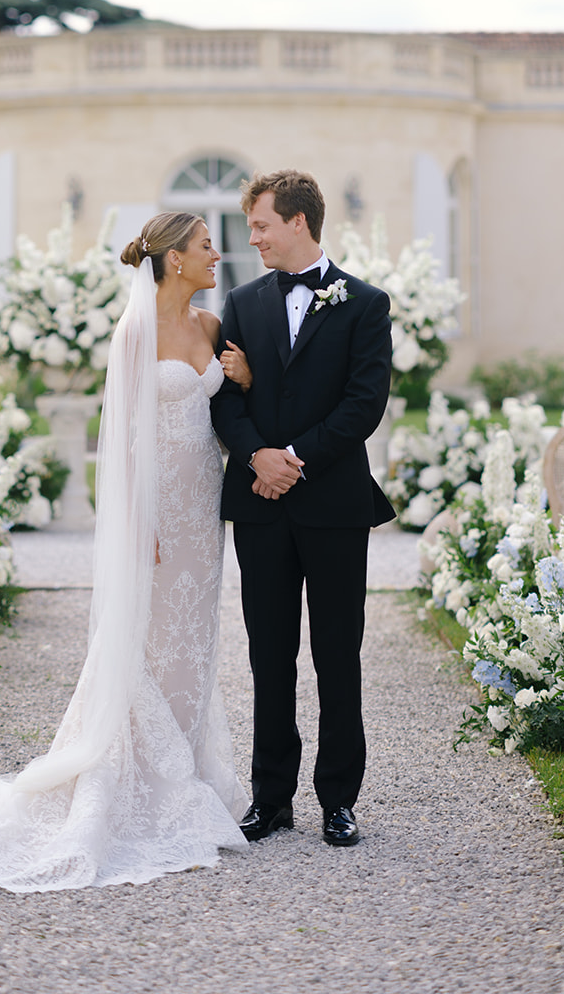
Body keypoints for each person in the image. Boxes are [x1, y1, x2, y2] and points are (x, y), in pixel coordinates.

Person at [0, 211, 250, 892]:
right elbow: (120, 440)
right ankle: (143, 783)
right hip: (154, 515)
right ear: (175, 259)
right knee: (146, 642)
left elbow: (228, 414)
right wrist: (133, 524)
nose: (220, 255)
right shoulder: (134, 333)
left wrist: (239, 377)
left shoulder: (213, 329)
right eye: (207, 246)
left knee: (195, 637)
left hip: (204, 513)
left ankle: (191, 770)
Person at [211, 169, 394, 849]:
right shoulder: (242, 302)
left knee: (338, 654)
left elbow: (362, 404)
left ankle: (339, 801)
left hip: (336, 505)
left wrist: (295, 458)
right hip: (260, 506)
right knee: (268, 655)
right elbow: (224, 394)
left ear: (298, 221)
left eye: (260, 224)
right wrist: (258, 455)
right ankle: (270, 799)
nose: (252, 237)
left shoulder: (365, 304)